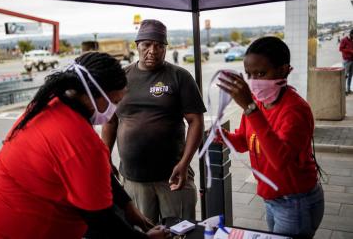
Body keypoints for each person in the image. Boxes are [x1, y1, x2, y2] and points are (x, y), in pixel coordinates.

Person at [0, 52, 170, 239]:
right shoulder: (81, 142)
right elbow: (101, 219)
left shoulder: (49, 103)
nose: (115, 108)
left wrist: (127, 205)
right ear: (91, 94)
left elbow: (93, 173)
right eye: (114, 101)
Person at [216, 36, 324, 238]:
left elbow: (280, 160)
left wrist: (249, 108)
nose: (254, 82)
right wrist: (223, 136)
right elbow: (243, 142)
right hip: (271, 199)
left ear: (283, 70)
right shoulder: (257, 103)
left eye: (261, 73)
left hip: (295, 202)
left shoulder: (295, 110)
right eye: (249, 74)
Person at [102, 19, 206, 224]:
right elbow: (110, 121)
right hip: (133, 179)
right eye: (146, 45)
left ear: (166, 48)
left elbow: (196, 121)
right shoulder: (121, 77)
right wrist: (105, 155)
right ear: (137, 46)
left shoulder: (179, 76)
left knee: (179, 231)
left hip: (173, 176)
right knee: (144, 232)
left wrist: (184, 164)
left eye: (159, 45)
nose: (153, 50)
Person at [339, 29, 353, 94]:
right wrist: (350, 51)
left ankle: (348, 89)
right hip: (346, 60)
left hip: (352, 60)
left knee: (350, 75)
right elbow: (340, 49)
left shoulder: (352, 40)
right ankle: (343, 90)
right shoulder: (344, 40)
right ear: (351, 34)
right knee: (345, 75)